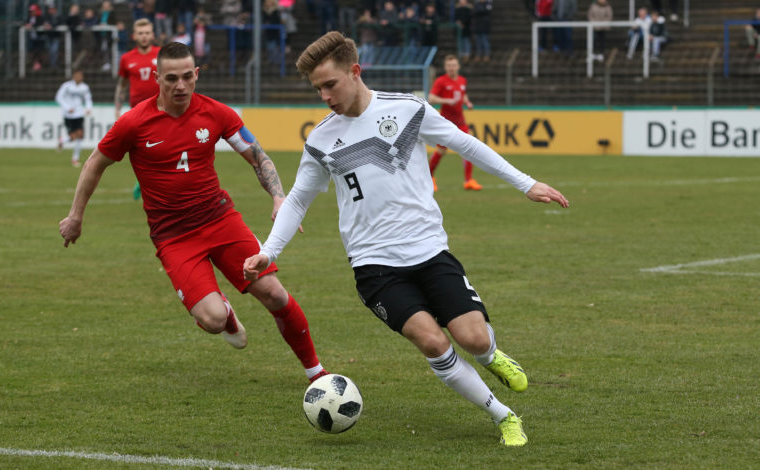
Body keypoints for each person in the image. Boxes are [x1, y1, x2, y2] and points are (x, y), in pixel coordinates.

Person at [243, 31, 570, 446]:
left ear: (355, 72)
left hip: (430, 252)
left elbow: (464, 143)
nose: (325, 96)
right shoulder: (321, 139)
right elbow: (297, 200)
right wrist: (267, 251)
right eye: (318, 88)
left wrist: (525, 184)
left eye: (330, 84)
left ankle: (490, 355)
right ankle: (503, 416)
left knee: (473, 338)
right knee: (433, 342)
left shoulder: (408, 110)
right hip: (374, 267)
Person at [59, 42, 329, 385]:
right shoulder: (134, 123)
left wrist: (279, 198)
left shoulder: (217, 113)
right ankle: (226, 314)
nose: (181, 86)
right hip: (174, 237)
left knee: (274, 293)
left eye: (188, 77)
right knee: (214, 320)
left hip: (220, 220)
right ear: (157, 78)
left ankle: (316, 373)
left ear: (197, 74)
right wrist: (76, 217)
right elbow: (95, 164)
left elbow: (258, 157)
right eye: (171, 78)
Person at [115, 18, 162, 200]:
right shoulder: (127, 58)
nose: (144, 36)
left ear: (153, 35)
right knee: (141, 150)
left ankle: (148, 183)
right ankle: (143, 182)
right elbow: (122, 84)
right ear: (134, 36)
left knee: (161, 148)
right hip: (138, 112)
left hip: (161, 109)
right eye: (141, 33)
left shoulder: (161, 55)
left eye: (147, 33)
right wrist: (118, 107)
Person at [428, 54, 479, 191]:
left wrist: (467, 102)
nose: (451, 68)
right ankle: (429, 178)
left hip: (460, 121)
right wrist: (447, 101)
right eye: (449, 66)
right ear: (445, 67)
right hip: (445, 123)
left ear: (458, 66)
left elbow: (463, 94)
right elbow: (431, 98)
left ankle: (469, 180)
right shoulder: (441, 81)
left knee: (468, 148)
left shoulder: (462, 80)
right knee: (441, 151)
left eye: (454, 65)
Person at [55, 69, 93, 168]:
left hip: (79, 114)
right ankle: (62, 140)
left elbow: (88, 98)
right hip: (68, 115)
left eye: (81, 76)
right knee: (72, 137)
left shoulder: (85, 87)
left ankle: (75, 159)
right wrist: (67, 108)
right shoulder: (66, 86)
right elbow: (58, 97)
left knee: (80, 135)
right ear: (73, 76)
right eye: (77, 75)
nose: (79, 77)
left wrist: (88, 108)